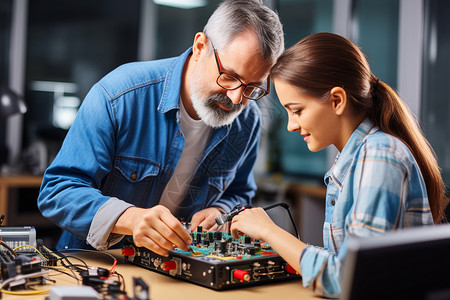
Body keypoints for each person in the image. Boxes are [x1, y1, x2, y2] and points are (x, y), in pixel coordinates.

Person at [37, 0, 284, 255]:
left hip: (179, 269)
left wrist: (221, 211)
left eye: (252, 88)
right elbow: (58, 191)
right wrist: (130, 219)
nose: (236, 99)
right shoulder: (119, 95)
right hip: (96, 264)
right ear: (200, 47)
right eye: (229, 77)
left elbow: (240, 193)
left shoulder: (247, 121)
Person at [230, 32, 446, 298]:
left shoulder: (379, 156)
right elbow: (344, 262)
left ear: (337, 100)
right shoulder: (357, 157)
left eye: (297, 110)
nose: (291, 125)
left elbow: (353, 280)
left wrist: (269, 230)